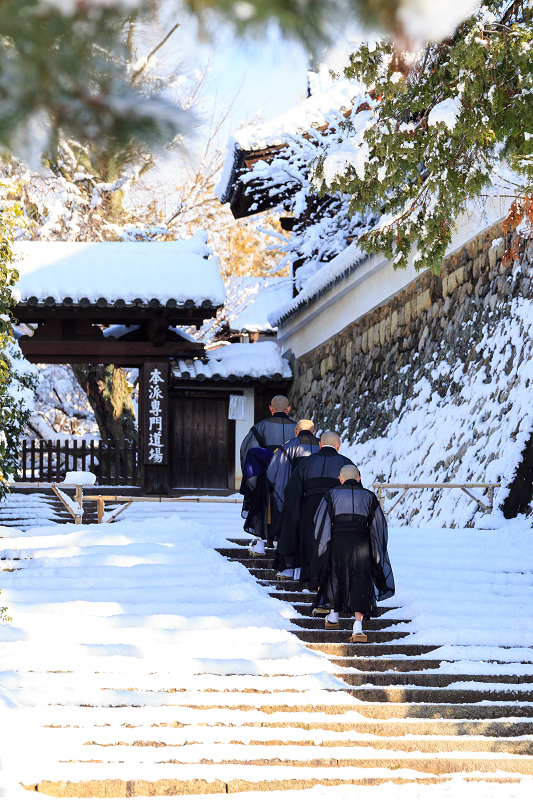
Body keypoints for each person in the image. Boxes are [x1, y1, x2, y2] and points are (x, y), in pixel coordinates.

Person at [309, 464, 395, 642]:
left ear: (340, 479)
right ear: (359, 478)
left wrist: (321, 549)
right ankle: (357, 627)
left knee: (335, 574)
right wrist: (376, 552)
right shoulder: (370, 497)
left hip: (338, 541)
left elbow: (321, 523)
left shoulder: (332, 494)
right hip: (362, 542)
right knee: (360, 580)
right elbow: (379, 528)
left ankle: (333, 616)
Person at [277, 431, 354, 585]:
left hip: (309, 508)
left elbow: (292, 490)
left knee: (309, 541)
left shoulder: (305, 463)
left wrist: (296, 511)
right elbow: (353, 491)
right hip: (335, 509)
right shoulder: (346, 464)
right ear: (338, 447)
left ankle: (308, 577)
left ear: (319, 445)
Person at [239, 395, 296, 556]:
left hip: (265, 475)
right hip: (290, 476)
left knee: (263, 506)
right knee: (286, 507)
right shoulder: (296, 429)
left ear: (271, 409)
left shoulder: (261, 426)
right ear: (289, 409)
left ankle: (259, 546)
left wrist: (253, 476)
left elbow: (247, 450)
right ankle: (281, 548)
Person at [266, 419, 320, 579]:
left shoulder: (288, 446)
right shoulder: (322, 447)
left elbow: (272, 473)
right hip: (316, 502)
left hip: (293, 499)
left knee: (290, 532)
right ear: (314, 432)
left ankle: (289, 569)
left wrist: (282, 495)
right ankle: (309, 571)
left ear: (295, 431)